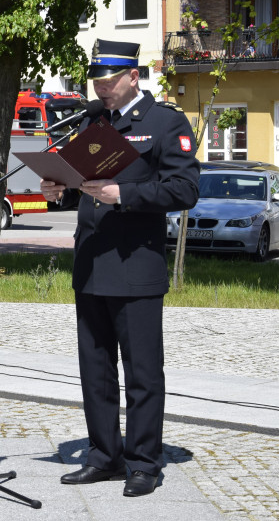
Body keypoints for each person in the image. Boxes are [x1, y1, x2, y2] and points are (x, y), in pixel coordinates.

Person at [41, 39, 200, 497]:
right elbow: (79, 183)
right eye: (96, 81)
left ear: (134, 75)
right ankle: (104, 456)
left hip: (135, 266)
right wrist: (61, 191)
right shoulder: (93, 121)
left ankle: (144, 462)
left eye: (109, 80)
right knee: (95, 369)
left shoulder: (164, 122)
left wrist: (125, 195)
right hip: (92, 262)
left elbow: (185, 189)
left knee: (143, 373)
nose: (102, 88)